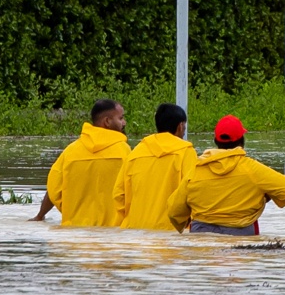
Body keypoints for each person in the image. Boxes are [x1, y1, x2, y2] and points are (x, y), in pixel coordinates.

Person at [167, 114, 285, 234]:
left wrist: (187, 223)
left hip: (201, 237)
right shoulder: (252, 169)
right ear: (242, 140)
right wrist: (264, 197)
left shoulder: (196, 171)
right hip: (242, 237)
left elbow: (173, 211)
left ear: (215, 141)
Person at [35, 98, 131, 227]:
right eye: (121, 118)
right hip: (113, 231)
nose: (124, 122)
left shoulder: (71, 151)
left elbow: (54, 189)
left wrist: (40, 216)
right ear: (107, 121)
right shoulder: (124, 151)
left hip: (74, 231)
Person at [120, 103, 197, 230]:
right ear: (180, 126)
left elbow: (119, 194)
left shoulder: (135, 153)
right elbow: (193, 191)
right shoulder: (186, 152)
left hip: (136, 230)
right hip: (172, 231)